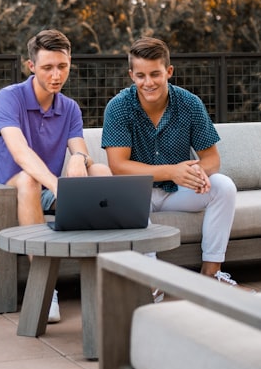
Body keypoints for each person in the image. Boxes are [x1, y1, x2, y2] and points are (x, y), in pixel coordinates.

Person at [0, 29, 111, 322]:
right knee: (29, 179)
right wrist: (57, 185)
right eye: (48, 68)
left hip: (48, 194)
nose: (56, 75)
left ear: (69, 63)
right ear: (31, 67)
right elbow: (20, 153)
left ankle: (109, 277)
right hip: (3, 197)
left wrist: (80, 159)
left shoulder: (69, 108)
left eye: (62, 66)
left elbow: (80, 149)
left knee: (101, 171)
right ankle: (45, 289)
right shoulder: (9, 98)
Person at [101, 36, 238, 288]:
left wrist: (194, 174)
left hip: (177, 194)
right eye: (140, 76)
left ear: (169, 71)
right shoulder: (118, 107)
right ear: (131, 75)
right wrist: (172, 172)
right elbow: (118, 166)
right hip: (137, 196)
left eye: (155, 74)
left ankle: (211, 275)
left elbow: (212, 160)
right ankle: (151, 283)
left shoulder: (190, 103)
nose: (148, 82)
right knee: (123, 195)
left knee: (224, 186)